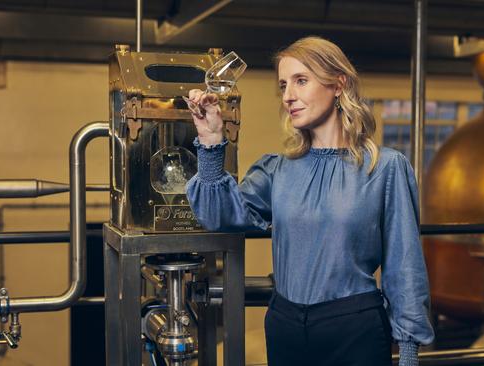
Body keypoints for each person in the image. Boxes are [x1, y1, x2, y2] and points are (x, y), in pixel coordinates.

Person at [185, 36, 434, 366]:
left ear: (338, 84)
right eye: (284, 85)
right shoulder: (278, 168)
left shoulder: (384, 167)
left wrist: (409, 353)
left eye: (301, 81)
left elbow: (405, 265)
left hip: (354, 328)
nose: (288, 96)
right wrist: (210, 138)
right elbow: (217, 216)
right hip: (285, 324)